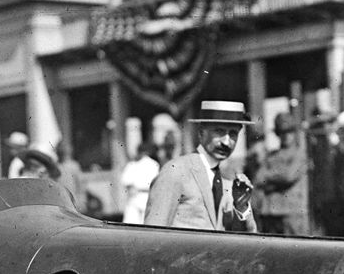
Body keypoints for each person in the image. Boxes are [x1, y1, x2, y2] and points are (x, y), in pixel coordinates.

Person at [144, 100, 257, 232]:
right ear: (201, 132)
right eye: (219, 131)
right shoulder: (176, 171)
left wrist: (241, 206)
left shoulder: (228, 181)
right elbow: (152, 235)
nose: (226, 142)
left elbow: (243, 241)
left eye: (233, 133)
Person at [254, 112, 310, 236]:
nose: (286, 136)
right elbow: (258, 179)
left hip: (292, 213)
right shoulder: (271, 156)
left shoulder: (299, 154)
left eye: (289, 131)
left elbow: (289, 176)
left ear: (294, 132)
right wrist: (276, 178)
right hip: (270, 212)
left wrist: (269, 177)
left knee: (296, 250)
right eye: (282, 132)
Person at [120, 141, 160, 224]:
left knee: (131, 224)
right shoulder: (154, 164)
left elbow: (126, 182)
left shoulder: (132, 164)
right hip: (145, 196)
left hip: (137, 196)